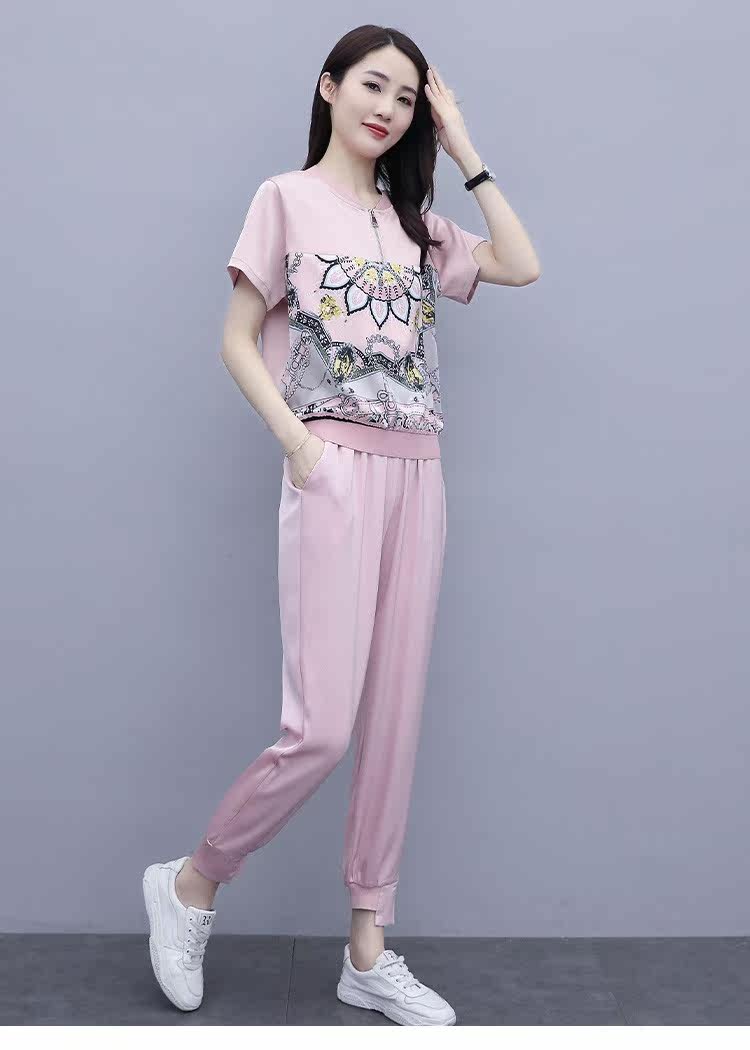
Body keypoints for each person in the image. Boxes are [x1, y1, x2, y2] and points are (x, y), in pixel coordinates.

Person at [142, 23, 540, 1025]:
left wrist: (462, 142)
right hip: (332, 469)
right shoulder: (284, 199)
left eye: (407, 97)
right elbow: (238, 339)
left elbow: (522, 263)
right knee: (320, 729)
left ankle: (367, 949)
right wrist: (299, 445)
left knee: (394, 718)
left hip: (420, 477)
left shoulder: (417, 226)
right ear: (328, 87)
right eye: (373, 85)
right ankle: (193, 881)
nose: (388, 109)